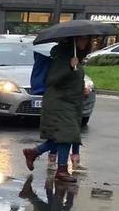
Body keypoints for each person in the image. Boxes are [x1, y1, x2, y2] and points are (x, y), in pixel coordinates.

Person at [23, 36, 90, 183]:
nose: (84, 42)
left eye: (86, 40)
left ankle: (33, 153)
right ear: (73, 41)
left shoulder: (75, 57)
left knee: (64, 137)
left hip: (70, 104)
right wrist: (70, 68)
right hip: (59, 103)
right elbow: (52, 79)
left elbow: (72, 81)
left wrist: (83, 89)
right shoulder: (62, 58)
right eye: (81, 40)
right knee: (67, 136)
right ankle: (61, 170)